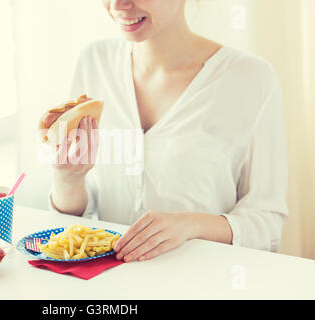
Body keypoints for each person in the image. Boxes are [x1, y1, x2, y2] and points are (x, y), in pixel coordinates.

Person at [48, 0, 288, 262]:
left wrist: (190, 225)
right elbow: (80, 218)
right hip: (112, 288)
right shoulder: (94, 62)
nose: (118, 5)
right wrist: (68, 179)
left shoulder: (251, 78)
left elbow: (267, 222)